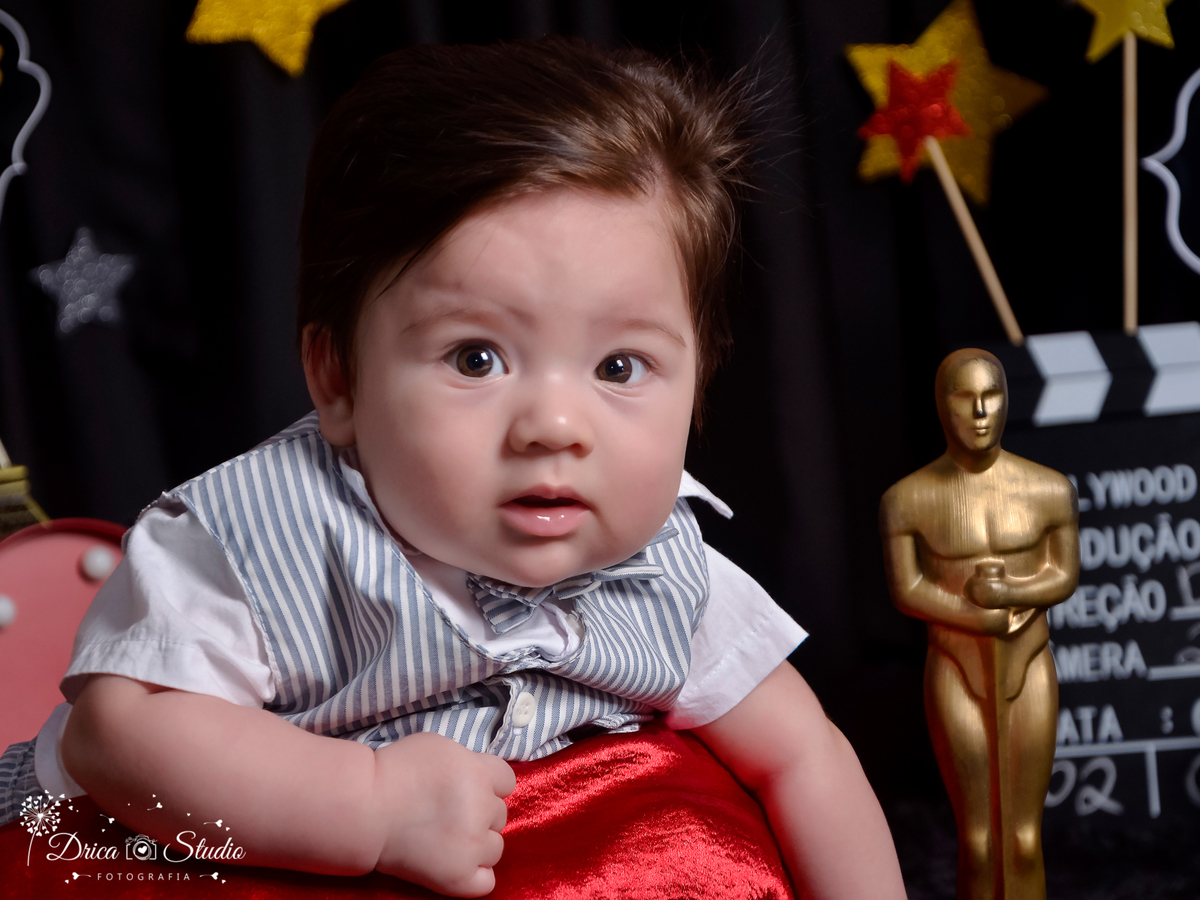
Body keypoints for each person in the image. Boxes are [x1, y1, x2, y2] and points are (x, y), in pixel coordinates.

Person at [0, 37, 904, 899]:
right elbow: (119, 735)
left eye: (620, 367)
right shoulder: (257, 537)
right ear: (339, 378)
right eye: (477, 359)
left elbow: (802, 757)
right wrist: (367, 806)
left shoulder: (669, 572)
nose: (555, 427)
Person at [879, 349, 1079, 900]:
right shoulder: (907, 500)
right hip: (955, 666)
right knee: (978, 840)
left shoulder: (1049, 489)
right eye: (965, 399)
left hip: (1029, 665)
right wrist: (973, 615)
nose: (982, 413)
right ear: (942, 407)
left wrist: (1011, 594)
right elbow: (907, 589)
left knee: (1024, 840)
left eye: (992, 396)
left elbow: (1064, 573)